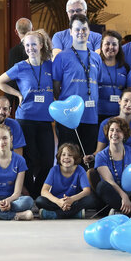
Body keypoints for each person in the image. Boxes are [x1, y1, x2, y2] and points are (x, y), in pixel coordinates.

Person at [0, 30, 55, 198]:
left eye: (34, 44)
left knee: (48, 161)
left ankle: (38, 193)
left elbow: (57, 86)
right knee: (29, 160)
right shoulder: (20, 67)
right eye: (27, 45)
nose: (30, 48)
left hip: (45, 120)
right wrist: (18, 94)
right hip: (25, 119)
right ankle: (32, 194)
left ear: (41, 45)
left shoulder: (50, 65)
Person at [52, 13, 102, 157]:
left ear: (89, 32)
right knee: (67, 158)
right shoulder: (61, 57)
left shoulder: (96, 57)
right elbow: (56, 86)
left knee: (88, 158)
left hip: (90, 116)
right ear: (71, 32)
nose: (81, 32)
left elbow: (96, 82)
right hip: (69, 116)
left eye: (84, 29)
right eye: (77, 29)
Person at [34, 143, 97, 219]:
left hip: (74, 202)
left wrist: (71, 199)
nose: (66, 157)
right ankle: (75, 214)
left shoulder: (80, 170)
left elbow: (87, 191)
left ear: (75, 158)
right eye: (63, 155)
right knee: (39, 200)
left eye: (70, 155)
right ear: (59, 158)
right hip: (57, 202)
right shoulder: (54, 170)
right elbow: (44, 191)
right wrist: (59, 202)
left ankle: (55, 215)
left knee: (91, 199)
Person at [97, 30, 129, 123]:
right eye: (107, 44)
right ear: (101, 46)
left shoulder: (125, 67)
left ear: (119, 47)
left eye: (114, 44)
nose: (111, 47)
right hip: (98, 114)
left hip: (119, 115)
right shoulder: (95, 65)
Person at [6, 17, 34, 111]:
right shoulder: (41, 49)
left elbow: (11, 79)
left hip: (22, 94)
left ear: (16, 31)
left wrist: (8, 103)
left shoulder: (14, 51)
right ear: (32, 29)